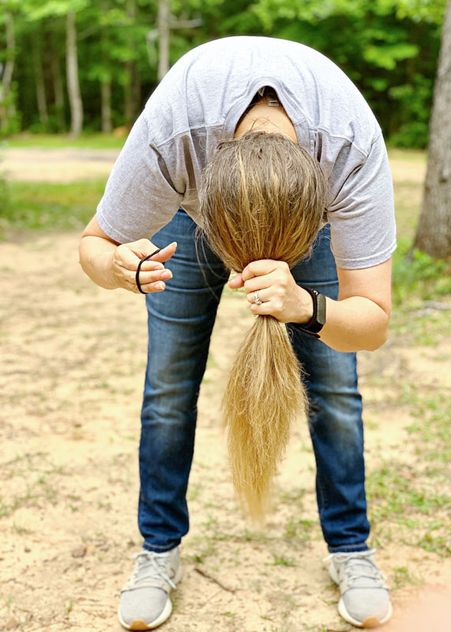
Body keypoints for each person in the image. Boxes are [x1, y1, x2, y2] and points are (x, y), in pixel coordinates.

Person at [79, 36, 396, 630]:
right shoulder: (175, 136)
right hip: (190, 213)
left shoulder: (350, 149)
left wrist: (306, 306)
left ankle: (352, 549)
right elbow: (93, 246)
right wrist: (121, 269)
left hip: (311, 215)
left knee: (335, 392)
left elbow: (372, 323)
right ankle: (157, 550)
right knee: (169, 389)